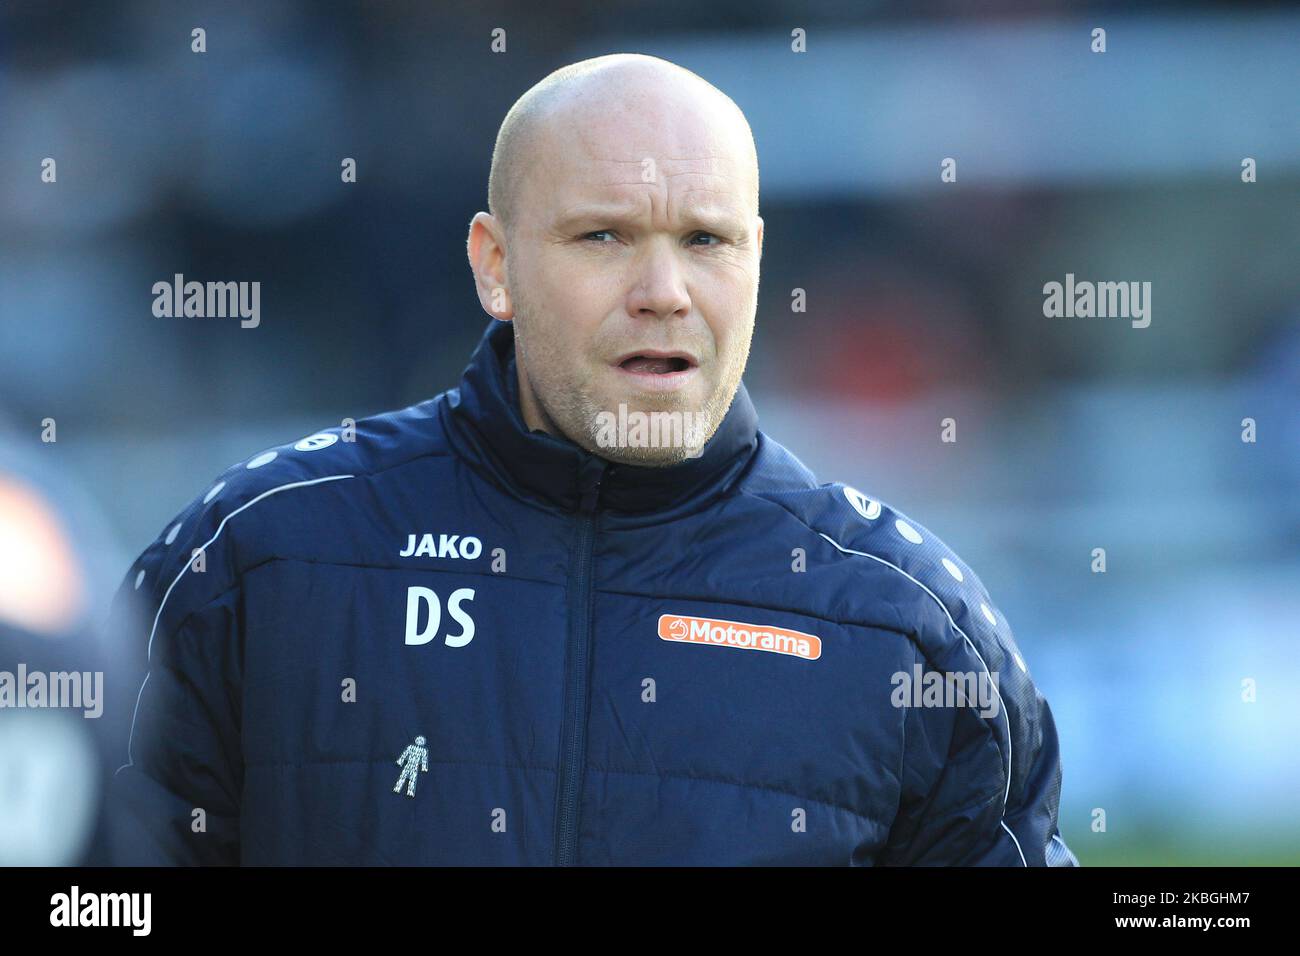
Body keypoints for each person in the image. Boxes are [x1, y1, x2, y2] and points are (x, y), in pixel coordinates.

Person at [109, 53, 1078, 866]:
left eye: (705, 239)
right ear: (496, 265)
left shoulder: (903, 620)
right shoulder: (262, 558)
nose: (662, 290)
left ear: (756, 262)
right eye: (604, 235)